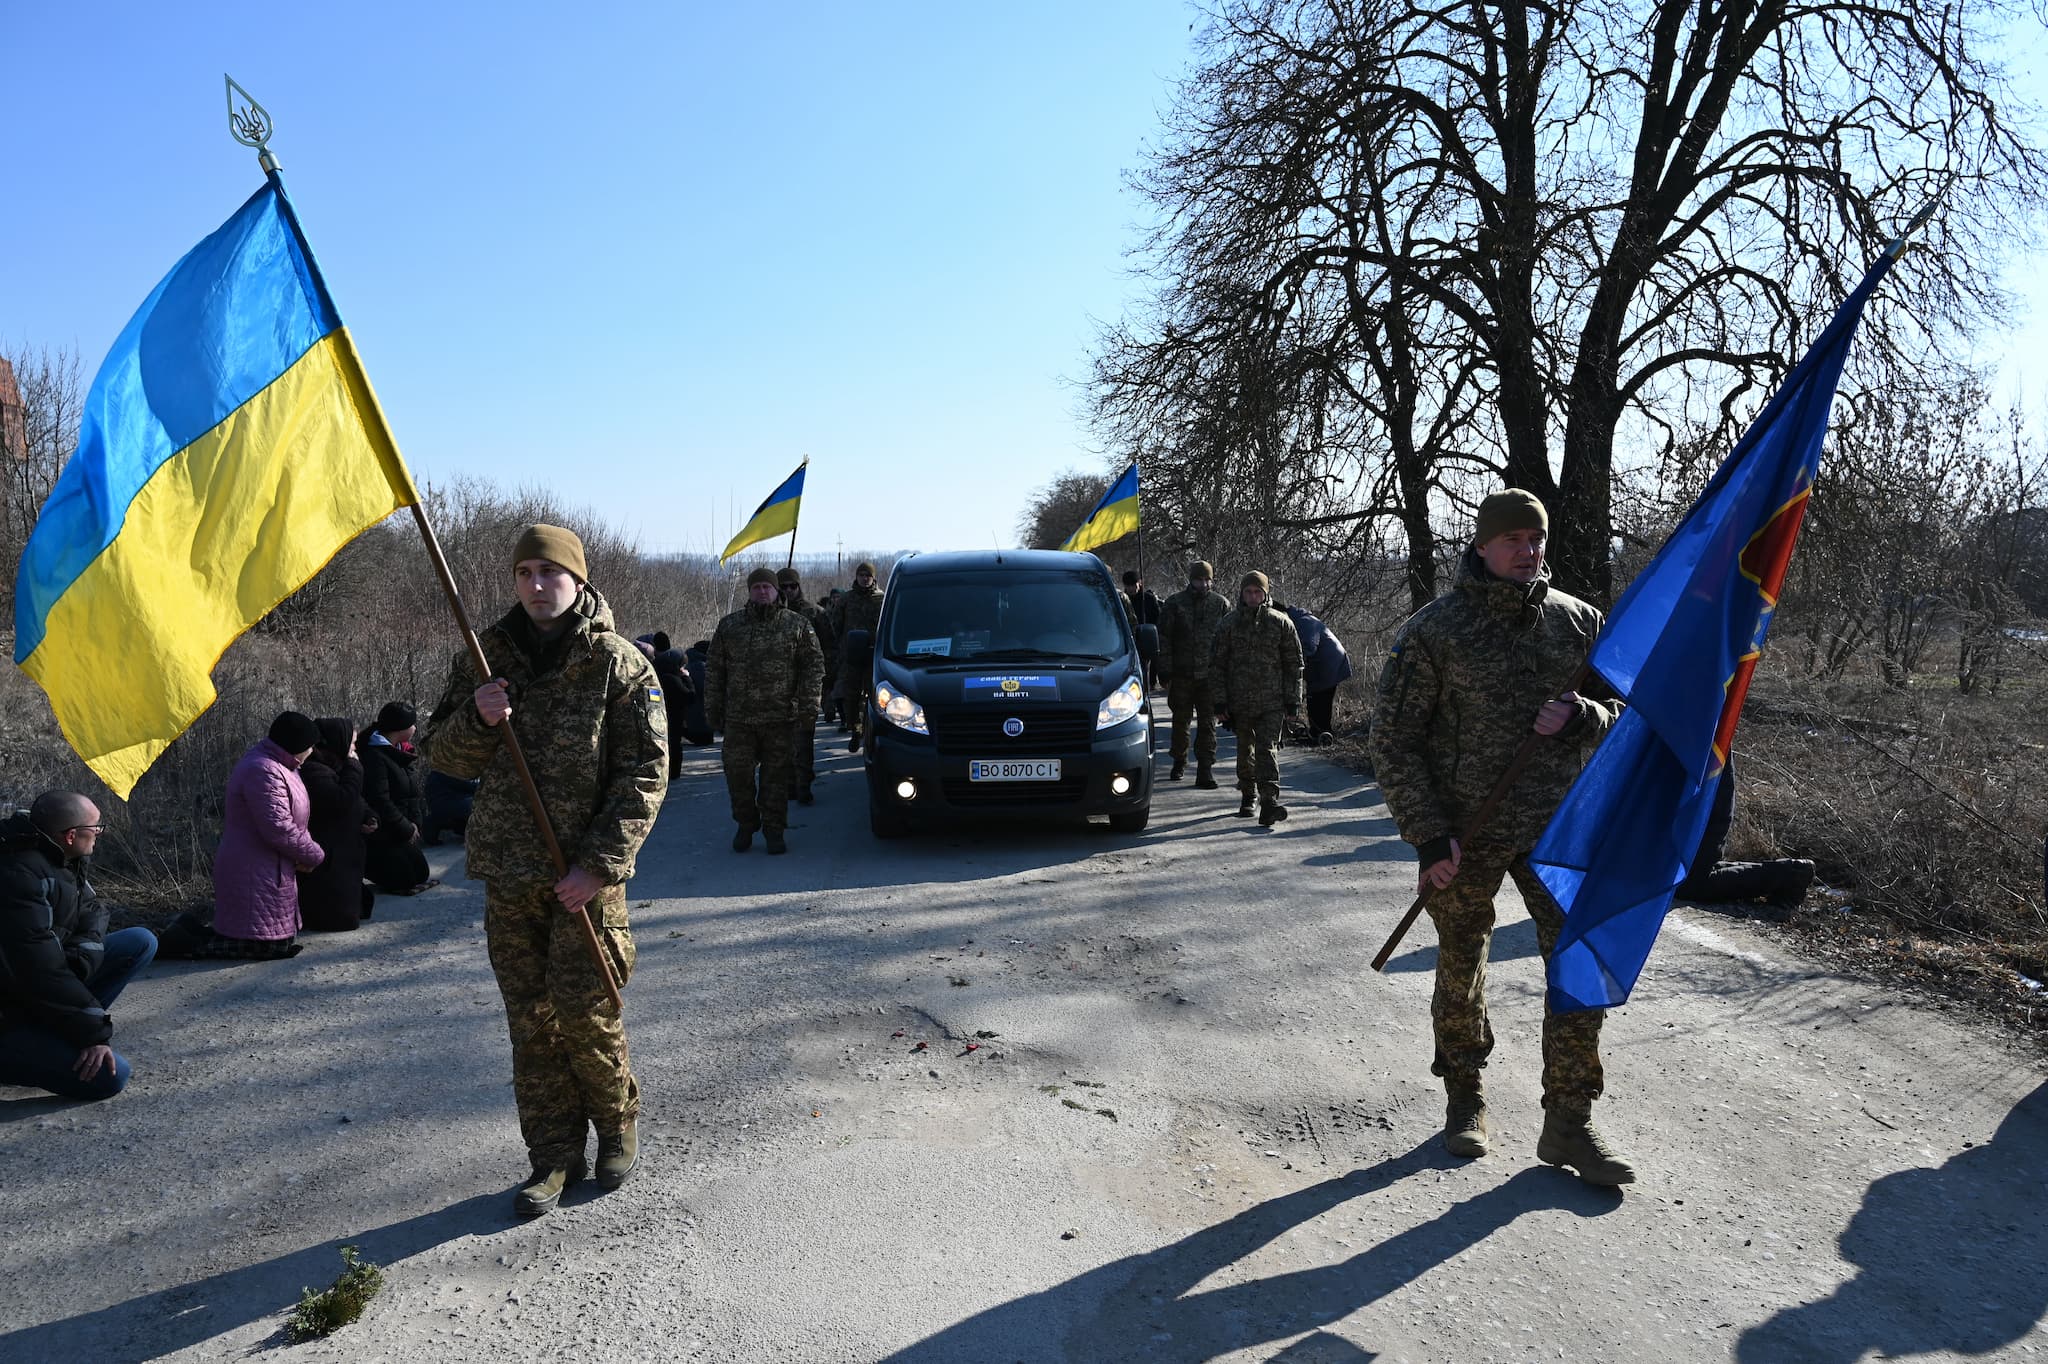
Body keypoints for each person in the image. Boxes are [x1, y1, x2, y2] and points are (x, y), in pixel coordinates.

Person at [1369, 489, 1633, 1185]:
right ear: (1482, 546)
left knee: (1577, 966)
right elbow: (1394, 739)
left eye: (1536, 538)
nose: (1528, 549)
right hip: (1466, 830)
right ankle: (1465, 1094)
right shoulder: (1438, 629)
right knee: (1461, 960)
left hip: (1560, 829)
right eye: (1513, 538)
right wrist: (1429, 838)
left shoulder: (1578, 623)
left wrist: (1584, 717)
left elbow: (1623, 713)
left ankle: (1570, 1122)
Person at [425, 522, 669, 1217]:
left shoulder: (619, 666)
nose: (537, 586)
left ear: (579, 580)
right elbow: (444, 758)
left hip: (585, 883)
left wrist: (598, 867)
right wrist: (477, 716)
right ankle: (552, 1157)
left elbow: (644, 778)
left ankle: (616, 1126)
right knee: (531, 1026)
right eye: (525, 573)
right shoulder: (484, 657)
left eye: (550, 573)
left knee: (587, 1015)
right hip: (511, 876)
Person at [0, 792, 156, 1100]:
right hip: (9, 1012)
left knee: (139, 941)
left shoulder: (56, 853)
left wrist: (81, 955)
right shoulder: (19, 876)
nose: (100, 833)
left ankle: (55, 1033)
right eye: (96, 827)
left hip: (30, 992)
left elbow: (94, 911)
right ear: (71, 835)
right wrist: (94, 1035)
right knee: (111, 1077)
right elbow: (41, 972)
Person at [707, 567, 825, 853]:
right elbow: (714, 670)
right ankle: (746, 823)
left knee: (776, 779)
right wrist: (713, 708)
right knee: (738, 777)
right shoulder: (730, 626)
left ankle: (774, 830)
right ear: (749, 591)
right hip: (740, 719)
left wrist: (808, 707)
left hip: (780, 718)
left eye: (767, 587)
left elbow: (813, 667)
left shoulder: (796, 625)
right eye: (757, 587)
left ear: (777, 591)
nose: (762, 592)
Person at [208, 711, 326, 959]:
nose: (312, 751)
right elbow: (279, 827)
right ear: (296, 745)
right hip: (253, 869)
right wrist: (314, 854)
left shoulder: (283, 765)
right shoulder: (263, 770)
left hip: (270, 867)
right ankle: (180, 941)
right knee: (266, 945)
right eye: (310, 746)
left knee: (276, 942)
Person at [1211, 571, 1305, 825]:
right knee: (1245, 750)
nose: (1253, 597)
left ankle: (1269, 801)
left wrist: (1292, 701)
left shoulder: (1280, 623)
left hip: (1272, 701)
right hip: (1240, 701)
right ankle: (1247, 794)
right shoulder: (1228, 624)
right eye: (1248, 592)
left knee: (1267, 749)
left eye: (1257, 592)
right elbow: (1217, 665)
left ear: (1265, 594)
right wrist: (1219, 702)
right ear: (1242, 594)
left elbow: (1293, 664)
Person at [1675, 754, 1816, 908]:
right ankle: (1790, 872)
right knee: (1683, 876)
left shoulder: (1702, 735)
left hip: (1705, 806)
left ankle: (1792, 874)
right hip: (1692, 803)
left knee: (1688, 884)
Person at [1158, 560, 1231, 787]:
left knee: (1208, 724)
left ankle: (1205, 769)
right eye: (1199, 579)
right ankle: (1179, 760)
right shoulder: (1175, 604)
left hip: (1209, 677)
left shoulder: (1220, 604)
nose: (1203, 584)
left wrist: (1227, 674)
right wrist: (1165, 670)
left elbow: (1228, 642)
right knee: (1181, 722)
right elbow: (1164, 639)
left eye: (1207, 579)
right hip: (1181, 675)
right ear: (1191, 579)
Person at [299, 717, 374, 930]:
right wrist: (355, 766)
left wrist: (369, 816)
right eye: (351, 743)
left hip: (344, 854)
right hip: (327, 858)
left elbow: (357, 800)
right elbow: (342, 800)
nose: (354, 749)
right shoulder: (314, 771)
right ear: (338, 741)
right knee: (342, 920)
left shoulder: (335, 766)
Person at [361, 701, 434, 896]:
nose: (415, 728)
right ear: (400, 728)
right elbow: (380, 800)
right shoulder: (374, 756)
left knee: (420, 873)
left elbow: (411, 794)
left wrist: (415, 824)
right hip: (384, 830)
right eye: (412, 724)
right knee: (404, 879)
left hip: (401, 829)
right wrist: (405, 827)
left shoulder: (402, 751)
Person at [776, 568, 837, 803]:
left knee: (803, 737)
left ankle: (803, 783)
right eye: (784, 587)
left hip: (805, 685)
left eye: (793, 586)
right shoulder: (772, 616)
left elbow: (830, 646)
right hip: (777, 687)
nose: (789, 591)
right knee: (781, 740)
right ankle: (789, 782)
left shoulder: (814, 613)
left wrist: (824, 677)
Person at [827, 561, 884, 751]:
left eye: (868, 575)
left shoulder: (881, 599)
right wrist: (843, 647)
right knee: (850, 696)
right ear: (856, 577)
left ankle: (872, 730)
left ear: (873, 577)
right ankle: (855, 730)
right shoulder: (846, 599)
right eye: (861, 575)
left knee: (873, 696)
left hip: (873, 656)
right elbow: (835, 624)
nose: (864, 578)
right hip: (851, 656)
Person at [1284, 603, 1354, 742]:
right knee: (1314, 700)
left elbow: (1309, 647)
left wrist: (1292, 663)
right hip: (1321, 668)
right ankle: (1317, 733)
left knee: (1320, 701)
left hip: (1329, 666)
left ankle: (1323, 734)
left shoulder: (1305, 622)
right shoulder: (1298, 620)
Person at [1123, 570, 1163, 690]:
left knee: (1151, 663)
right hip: (1129, 640)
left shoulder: (1148, 599)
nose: (1131, 589)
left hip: (1147, 637)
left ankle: (1151, 683)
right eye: (1128, 586)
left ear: (1139, 583)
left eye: (1133, 585)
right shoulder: (1122, 600)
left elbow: (1158, 618)